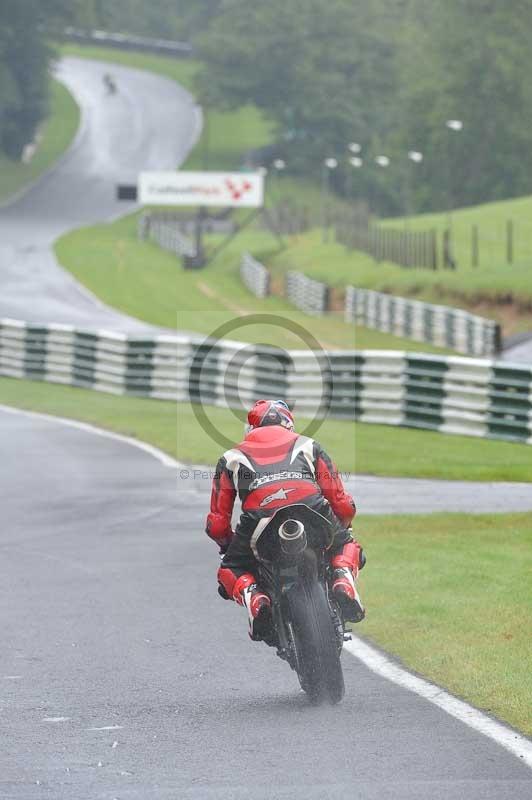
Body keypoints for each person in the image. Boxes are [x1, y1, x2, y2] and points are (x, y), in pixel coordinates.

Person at [205, 399, 365, 642]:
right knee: (346, 544)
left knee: (230, 569)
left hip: (259, 521)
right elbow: (341, 501)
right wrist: (344, 525)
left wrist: (228, 547)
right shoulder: (309, 445)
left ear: (251, 428)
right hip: (312, 509)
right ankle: (343, 578)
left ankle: (255, 596)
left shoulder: (231, 457)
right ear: (288, 423)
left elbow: (217, 524)